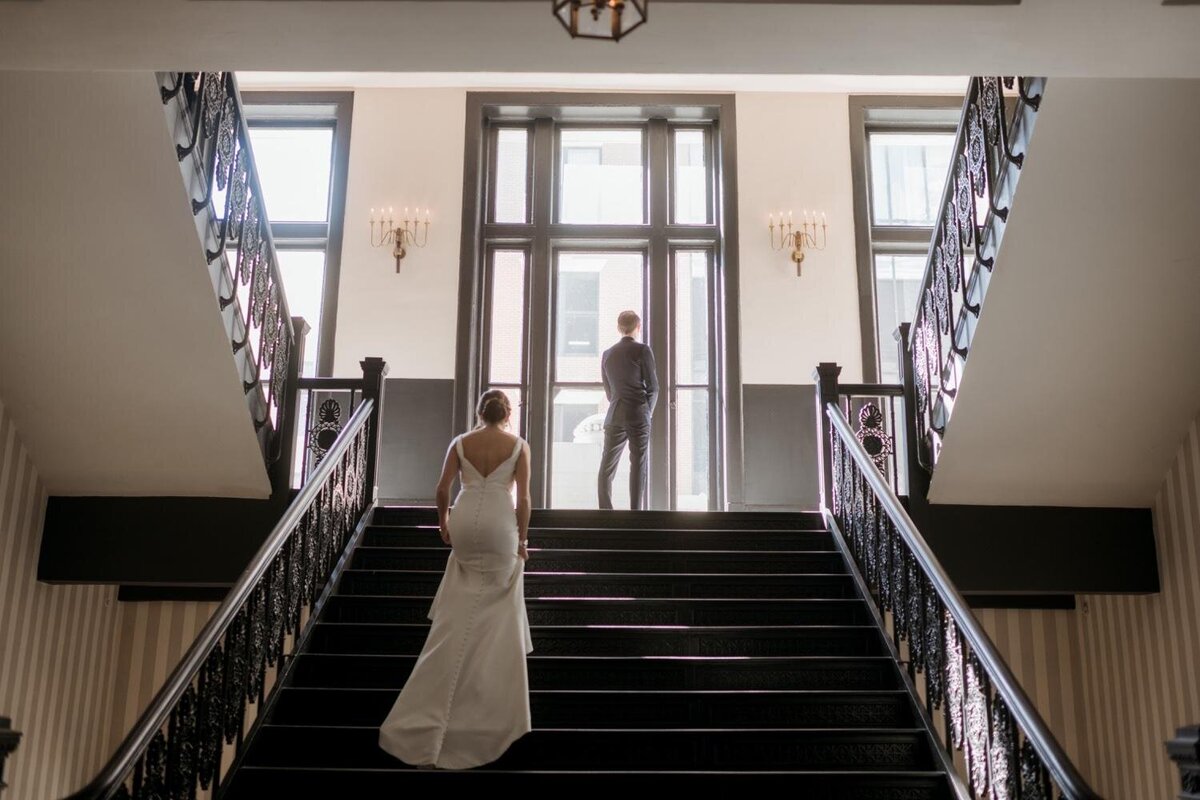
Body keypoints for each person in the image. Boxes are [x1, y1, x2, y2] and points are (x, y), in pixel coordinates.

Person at [378, 389, 533, 769]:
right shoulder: (518, 445)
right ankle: (486, 694)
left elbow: (442, 488)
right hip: (499, 522)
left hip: (465, 522)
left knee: (464, 601)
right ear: (508, 413)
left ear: (480, 411)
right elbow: (525, 500)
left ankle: (441, 690)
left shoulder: (461, 442)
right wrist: (524, 540)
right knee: (498, 605)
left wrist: (443, 524)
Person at [597, 310, 658, 510]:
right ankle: (635, 513)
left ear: (618, 328)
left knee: (607, 467)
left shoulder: (607, 354)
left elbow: (609, 391)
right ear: (638, 328)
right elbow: (653, 387)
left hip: (615, 413)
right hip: (638, 413)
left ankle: (606, 512)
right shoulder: (643, 350)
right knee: (638, 464)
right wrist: (646, 411)